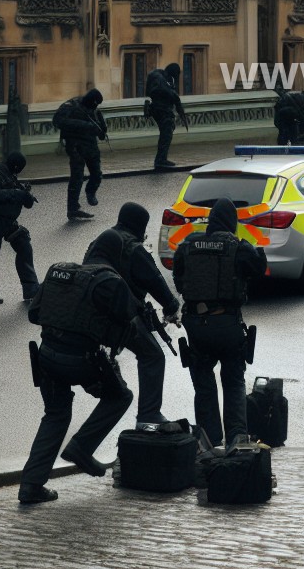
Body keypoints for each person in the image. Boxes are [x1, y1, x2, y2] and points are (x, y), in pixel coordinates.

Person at [19, 260, 137, 503]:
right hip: (81, 360)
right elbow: (126, 324)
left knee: (55, 413)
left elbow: (34, 314)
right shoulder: (110, 282)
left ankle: (30, 486)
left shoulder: (61, 273)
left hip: (47, 356)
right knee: (120, 396)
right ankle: (82, 446)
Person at [173, 198, 267, 446]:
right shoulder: (237, 246)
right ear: (231, 222)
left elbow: (178, 279)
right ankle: (237, 439)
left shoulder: (188, 245)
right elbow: (259, 269)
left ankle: (208, 441)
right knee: (234, 380)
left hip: (196, 326)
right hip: (227, 324)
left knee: (203, 386)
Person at [83, 202, 182, 430]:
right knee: (153, 355)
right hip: (117, 312)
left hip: (87, 311)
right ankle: (149, 415)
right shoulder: (133, 247)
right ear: (140, 225)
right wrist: (171, 307)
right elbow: (156, 281)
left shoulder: (100, 241)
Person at [0, 151, 39, 305]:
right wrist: (16, 194)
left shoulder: (10, 175)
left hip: (8, 223)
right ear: (16, 166)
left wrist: (26, 196)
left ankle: (31, 290)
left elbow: (22, 198)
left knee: (24, 247)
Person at [53, 88, 107, 222]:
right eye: (95, 104)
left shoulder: (94, 110)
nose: (95, 107)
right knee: (77, 177)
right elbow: (58, 121)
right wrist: (84, 125)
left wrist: (101, 129)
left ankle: (90, 191)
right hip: (75, 145)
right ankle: (73, 209)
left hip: (90, 145)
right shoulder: (71, 105)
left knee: (97, 174)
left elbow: (99, 130)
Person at [146, 62, 187, 170]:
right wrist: (181, 111)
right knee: (166, 134)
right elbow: (172, 95)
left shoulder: (163, 78)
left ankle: (161, 159)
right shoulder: (160, 78)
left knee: (166, 134)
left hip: (161, 109)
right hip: (161, 110)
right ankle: (160, 160)